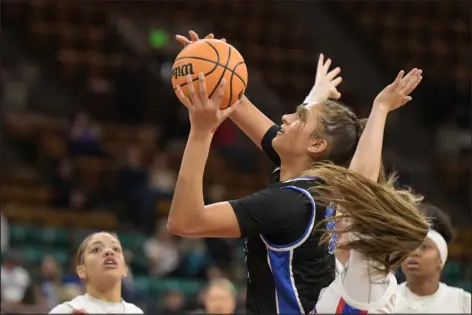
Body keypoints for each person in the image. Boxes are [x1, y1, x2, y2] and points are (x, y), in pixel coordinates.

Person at [167, 39, 423, 313]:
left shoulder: (288, 203)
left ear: (316, 145)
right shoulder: (319, 186)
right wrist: (210, 64)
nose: (285, 118)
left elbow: (186, 221)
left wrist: (201, 132)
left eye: (298, 116)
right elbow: (362, 179)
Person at [396, 203, 471, 313]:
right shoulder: (384, 301)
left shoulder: (463, 303)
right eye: (409, 246)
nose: (414, 253)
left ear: (441, 259)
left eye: (424, 247)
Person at [48, 232, 143, 314]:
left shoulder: (135, 312)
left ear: (124, 269)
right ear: (82, 271)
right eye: (96, 249)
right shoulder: (66, 311)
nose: (109, 252)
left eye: (116, 249)